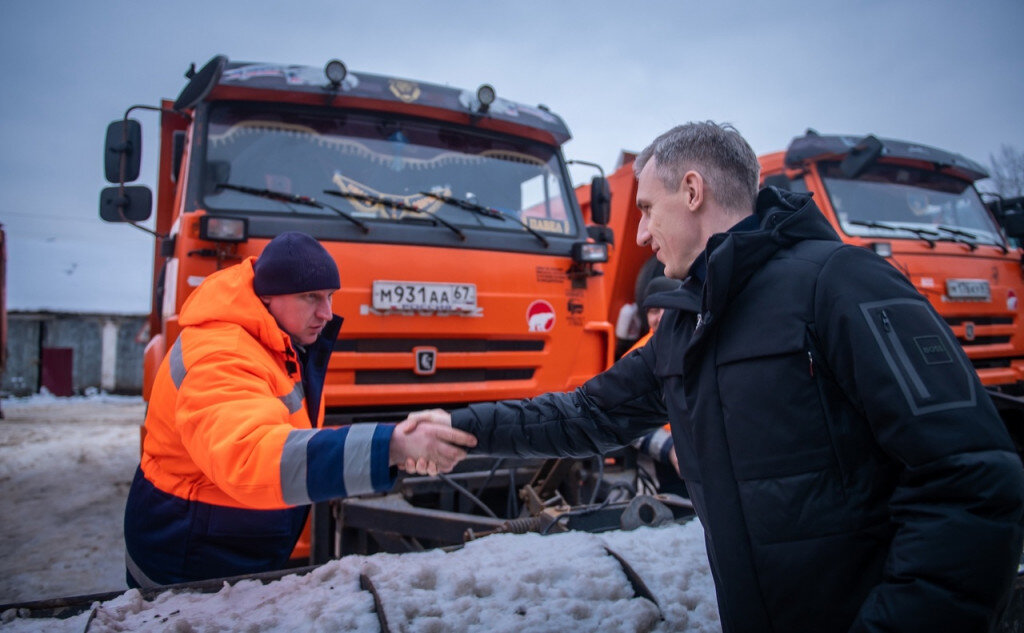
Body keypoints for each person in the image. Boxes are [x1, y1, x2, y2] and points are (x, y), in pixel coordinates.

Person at [406, 122, 1024, 632]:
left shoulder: (839, 283)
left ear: (694, 190)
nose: (640, 233)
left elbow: (970, 477)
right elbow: (586, 415)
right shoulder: (686, 324)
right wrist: (461, 428)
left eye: (647, 209)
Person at [124, 231, 476, 588]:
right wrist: (390, 445)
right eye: (310, 297)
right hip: (191, 555)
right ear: (267, 297)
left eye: (329, 297)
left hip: (227, 540)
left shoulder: (277, 342)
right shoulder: (222, 355)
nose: (326, 314)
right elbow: (251, 458)